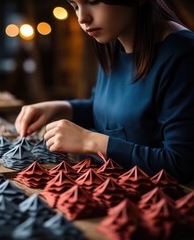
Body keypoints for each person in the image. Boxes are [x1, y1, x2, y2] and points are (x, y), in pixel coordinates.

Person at [15, 0, 194, 183]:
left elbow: (181, 164)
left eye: (93, 2)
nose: (82, 18)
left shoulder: (183, 55)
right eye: (75, 6)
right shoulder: (115, 42)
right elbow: (112, 115)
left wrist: (89, 141)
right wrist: (63, 108)